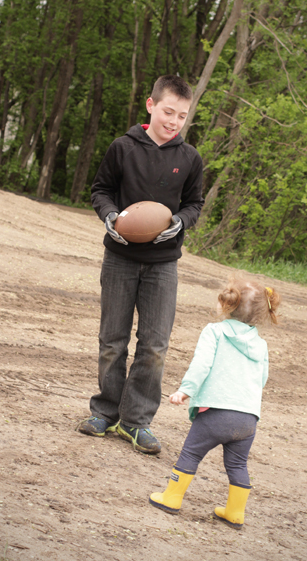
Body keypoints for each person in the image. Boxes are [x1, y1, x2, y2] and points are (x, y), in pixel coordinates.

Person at [78, 75, 204, 455]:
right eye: (168, 112)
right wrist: (111, 215)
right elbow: (100, 190)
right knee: (112, 341)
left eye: (182, 116)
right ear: (151, 105)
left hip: (163, 264)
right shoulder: (123, 148)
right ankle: (105, 412)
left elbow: (194, 204)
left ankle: (136, 422)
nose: (174, 121)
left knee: (155, 346)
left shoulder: (189, 158)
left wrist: (180, 222)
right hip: (119, 258)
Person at [149, 275, 280, 528]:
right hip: (248, 419)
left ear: (226, 303)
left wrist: (185, 390)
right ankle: (235, 513)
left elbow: (201, 365)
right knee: (238, 464)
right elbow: (262, 379)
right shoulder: (260, 344)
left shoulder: (215, 331)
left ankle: (172, 498)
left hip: (216, 414)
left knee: (191, 453)